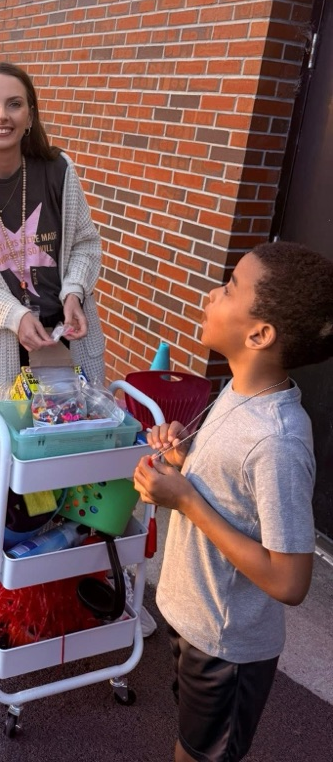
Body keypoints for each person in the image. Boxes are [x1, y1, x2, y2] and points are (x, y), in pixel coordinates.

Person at [133, 241, 333, 762]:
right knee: (192, 741)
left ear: (260, 334)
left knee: (201, 756)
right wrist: (183, 461)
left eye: (228, 288)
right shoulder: (237, 388)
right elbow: (229, 489)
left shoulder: (279, 441)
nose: (209, 295)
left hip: (227, 649)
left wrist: (186, 500)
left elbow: (291, 581)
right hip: (192, 620)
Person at [0, 61, 105, 400]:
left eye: (14, 104)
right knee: (10, 446)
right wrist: (15, 315)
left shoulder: (58, 171)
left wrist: (75, 292)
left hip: (69, 335)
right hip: (3, 345)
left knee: (74, 441)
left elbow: (86, 242)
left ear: (29, 116)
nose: (2, 116)